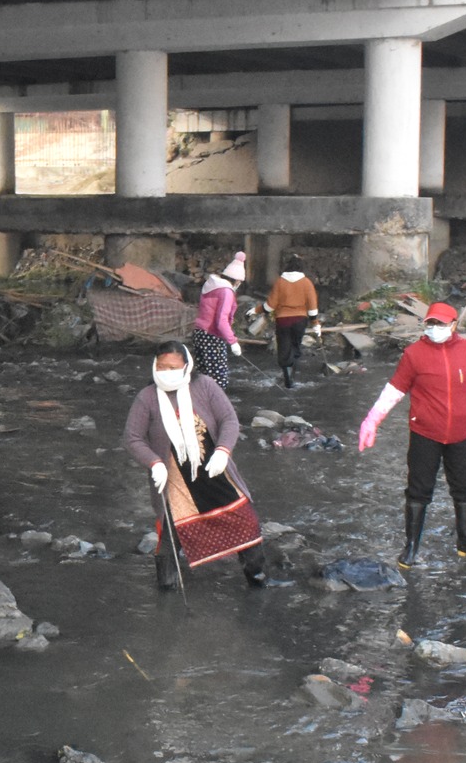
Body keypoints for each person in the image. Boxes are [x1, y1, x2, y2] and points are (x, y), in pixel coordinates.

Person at [356, 302, 466, 568]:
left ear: (454, 325)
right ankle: (411, 546)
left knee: (464, 488)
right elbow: (394, 390)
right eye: (430, 323)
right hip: (426, 434)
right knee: (418, 490)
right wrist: (372, 420)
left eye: (440, 324)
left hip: (463, 434)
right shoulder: (414, 354)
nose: (434, 328)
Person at [123, 340, 276, 588]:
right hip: (174, 479)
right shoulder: (147, 398)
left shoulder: (204, 385)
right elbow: (132, 438)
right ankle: (167, 586)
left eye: (173, 367)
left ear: (187, 366)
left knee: (246, 522)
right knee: (171, 535)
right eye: (162, 366)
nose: (167, 372)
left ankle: (258, 577)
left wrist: (223, 451)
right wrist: (154, 463)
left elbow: (229, 420)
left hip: (215, 470)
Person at [189, 251, 245, 390]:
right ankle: (214, 403)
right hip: (212, 335)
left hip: (199, 333)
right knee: (218, 380)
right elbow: (221, 320)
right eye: (239, 282)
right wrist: (233, 342)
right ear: (237, 280)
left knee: (202, 376)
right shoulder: (226, 291)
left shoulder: (211, 285)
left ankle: (199, 401)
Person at [264, 252, 319, 390]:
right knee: (295, 346)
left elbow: (270, 305)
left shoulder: (280, 282)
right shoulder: (307, 283)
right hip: (300, 320)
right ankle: (291, 378)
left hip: (282, 320)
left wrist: (259, 310)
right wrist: (315, 323)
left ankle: (286, 375)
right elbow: (312, 306)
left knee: (284, 347)